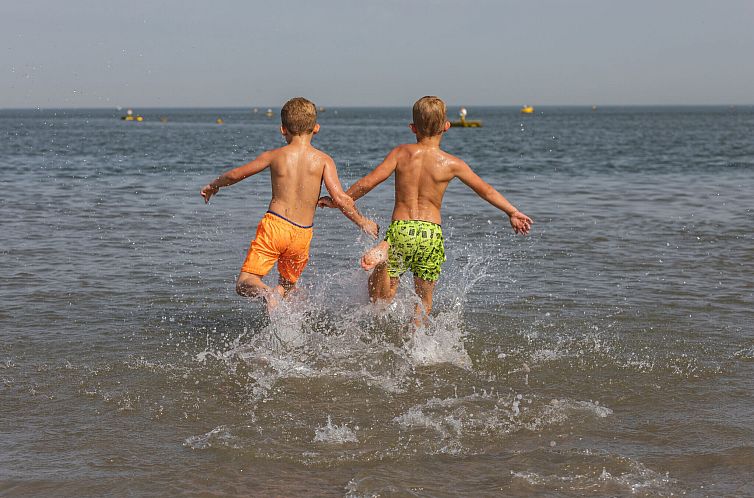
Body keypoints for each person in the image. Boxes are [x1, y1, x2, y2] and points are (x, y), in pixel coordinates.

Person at [319, 96, 532, 326]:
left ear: (413, 128)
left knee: (381, 298)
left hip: (402, 230)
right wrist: (512, 211)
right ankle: (415, 346)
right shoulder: (452, 163)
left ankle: (382, 259)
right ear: (447, 127)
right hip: (431, 235)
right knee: (424, 301)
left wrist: (340, 200)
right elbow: (486, 190)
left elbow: (369, 182)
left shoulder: (401, 153)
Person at [201, 97, 378, 310]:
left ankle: (266, 294)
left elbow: (236, 175)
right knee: (288, 287)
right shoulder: (323, 160)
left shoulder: (275, 156)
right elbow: (340, 198)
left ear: (282, 129)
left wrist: (214, 185)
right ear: (316, 128)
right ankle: (293, 324)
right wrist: (363, 221)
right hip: (302, 235)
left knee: (245, 282)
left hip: (276, 227)